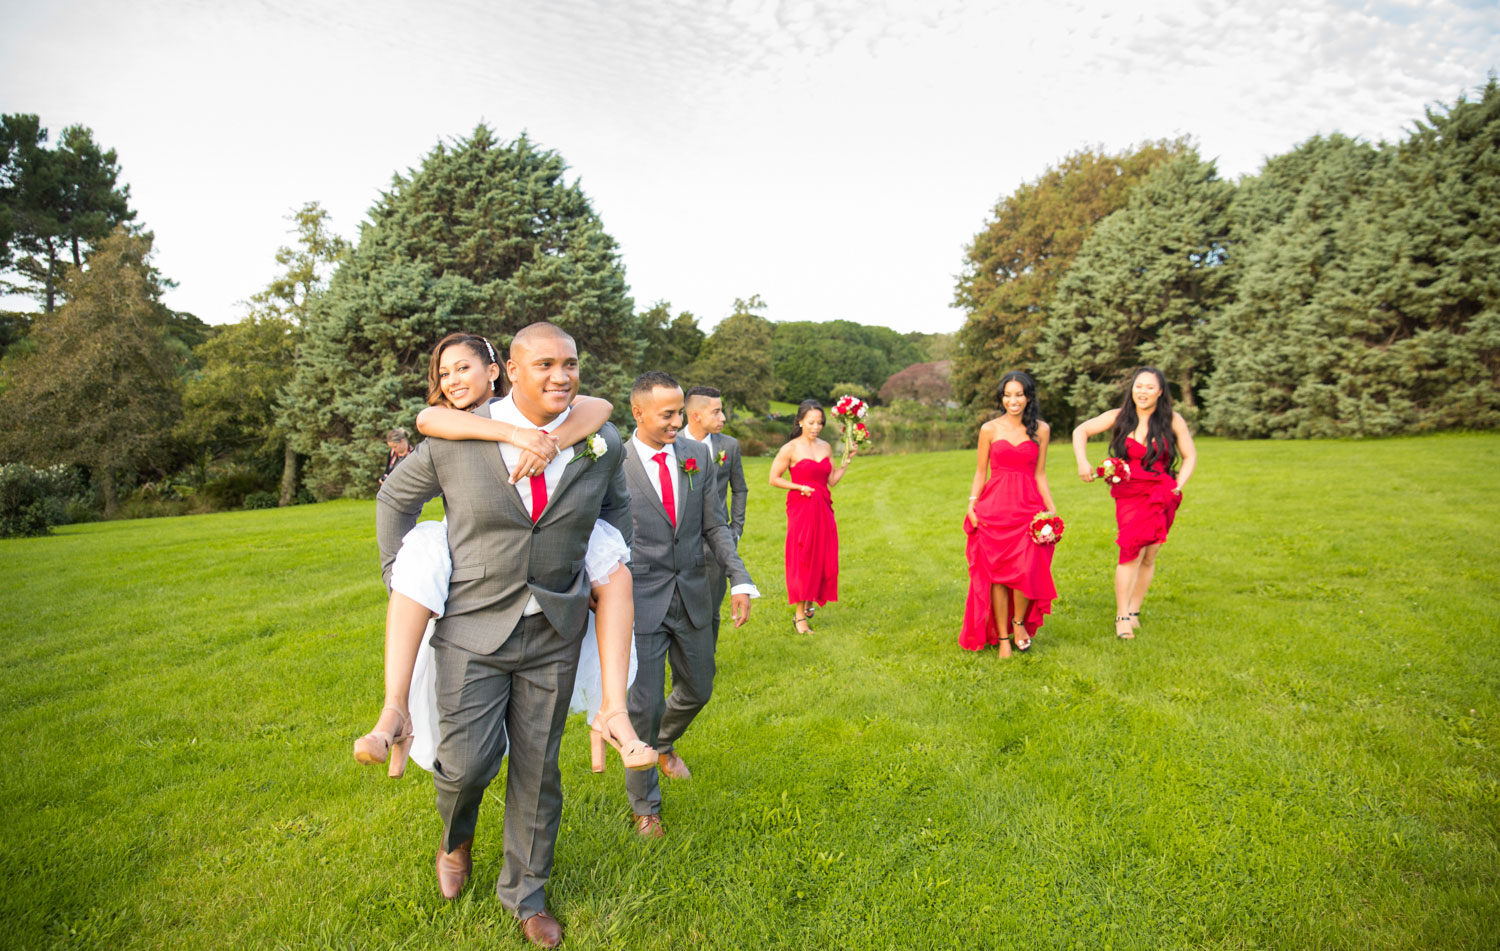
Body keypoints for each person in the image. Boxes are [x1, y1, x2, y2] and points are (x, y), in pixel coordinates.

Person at [376, 323, 633, 949]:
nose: (561, 376)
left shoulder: (601, 439)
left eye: (570, 363)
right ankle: (455, 837)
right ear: (510, 372)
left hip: (555, 629)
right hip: (470, 630)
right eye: (544, 364)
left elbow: (617, 508)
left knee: (540, 769)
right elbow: (393, 499)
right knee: (465, 767)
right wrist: (401, 573)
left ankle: (527, 893)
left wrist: (601, 564)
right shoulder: (455, 437)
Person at [354, 332, 653, 784]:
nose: (454, 380)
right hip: (472, 557)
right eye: (444, 373)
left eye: (464, 368)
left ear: (497, 371)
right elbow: (427, 420)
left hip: (556, 545)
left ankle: (614, 708)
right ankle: (393, 709)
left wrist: (551, 438)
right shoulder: (450, 423)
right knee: (415, 564)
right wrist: (392, 571)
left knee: (616, 571)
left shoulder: (566, 411)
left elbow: (599, 407)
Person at [622, 371, 757, 838]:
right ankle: (646, 807)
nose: (679, 422)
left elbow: (715, 525)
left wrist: (740, 578)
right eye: (668, 414)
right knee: (643, 703)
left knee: (699, 687)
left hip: (695, 591)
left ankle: (662, 742)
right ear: (638, 413)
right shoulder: (613, 464)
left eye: (681, 412)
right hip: (639, 601)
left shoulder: (697, 455)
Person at [1072, 366, 1198, 640]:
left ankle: (1134, 610)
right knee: (1130, 552)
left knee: (1150, 555)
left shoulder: (1172, 420)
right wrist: (1082, 461)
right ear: (1132, 388)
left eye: (1150, 387)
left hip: (1162, 495)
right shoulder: (1120, 417)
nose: (1143, 392)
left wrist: (1177, 487)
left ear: (1160, 392)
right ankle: (1121, 616)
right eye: (1139, 386)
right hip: (1130, 495)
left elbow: (1190, 456)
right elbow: (1080, 431)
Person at [959, 371, 1058, 657]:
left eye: (1019, 394)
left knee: (1025, 572)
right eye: (1007, 394)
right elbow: (981, 471)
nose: (1012, 400)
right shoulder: (989, 429)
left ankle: (1018, 624)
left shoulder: (1041, 429)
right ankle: (1002, 638)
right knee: (999, 576)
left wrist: (1050, 508)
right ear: (1001, 397)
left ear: (1028, 397)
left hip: (1028, 508)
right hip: (995, 509)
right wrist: (971, 504)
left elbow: (1040, 473)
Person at [768, 400, 852, 634]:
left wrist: (846, 462)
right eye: (811, 422)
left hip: (823, 507)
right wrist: (797, 487)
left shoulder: (825, 447)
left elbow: (831, 480)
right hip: (801, 507)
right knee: (803, 556)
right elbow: (774, 478)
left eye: (820, 423)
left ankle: (810, 598)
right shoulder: (790, 448)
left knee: (823, 556)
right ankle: (799, 616)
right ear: (800, 421)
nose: (816, 427)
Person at [683, 385, 748, 647]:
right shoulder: (673, 444)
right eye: (717, 412)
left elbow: (739, 488)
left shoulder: (729, 446)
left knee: (711, 607)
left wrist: (736, 529)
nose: (723, 418)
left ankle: (704, 659)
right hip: (681, 540)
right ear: (696, 415)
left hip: (717, 541)